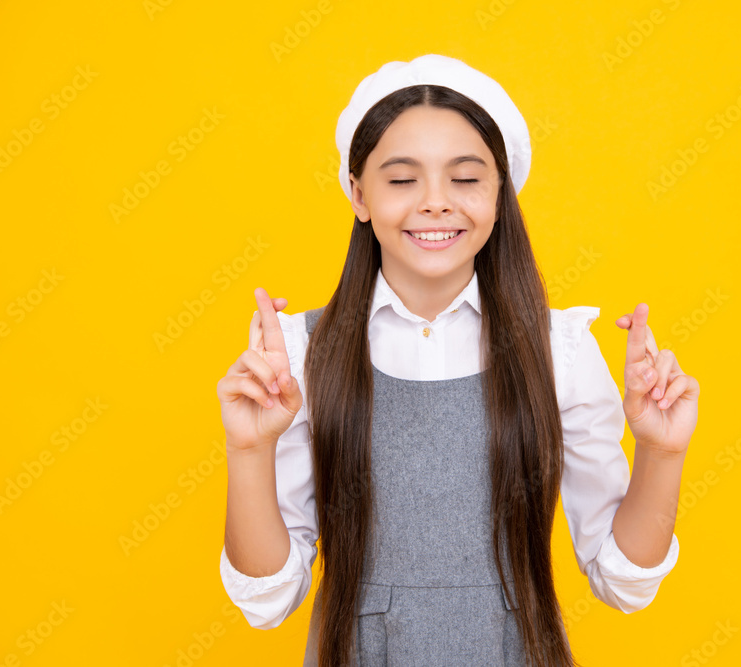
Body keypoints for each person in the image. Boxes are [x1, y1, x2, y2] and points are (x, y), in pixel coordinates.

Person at [216, 53, 699, 667]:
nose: (436, 203)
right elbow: (268, 599)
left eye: (466, 178)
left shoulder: (560, 350)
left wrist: (661, 451)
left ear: (501, 196)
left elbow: (622, 580)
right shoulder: (301, 354)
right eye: (401, 179)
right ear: (359, 195)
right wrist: (249, 449)